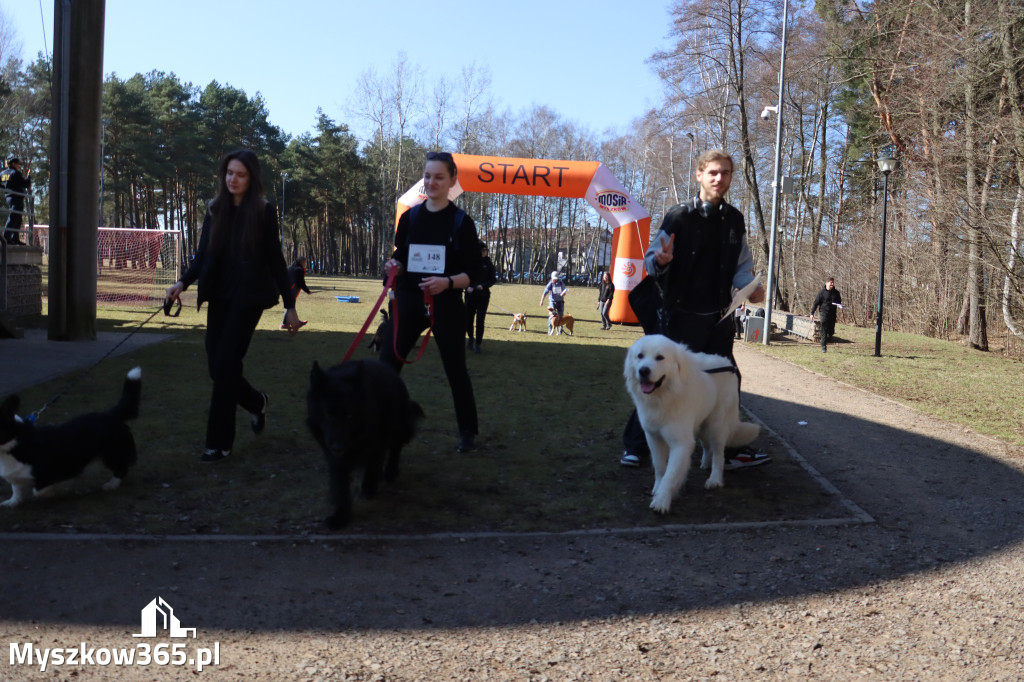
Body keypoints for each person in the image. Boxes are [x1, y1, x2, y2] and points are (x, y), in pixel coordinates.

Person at [620, 149, 771, 470]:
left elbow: (742, 266)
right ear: (699, 175)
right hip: (679, 319)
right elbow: (651, 257)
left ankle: (725, 452)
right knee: (660, 381)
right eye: (713, 172)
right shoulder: (678, 216)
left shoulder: (735, 219)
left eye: (726, 173)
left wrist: (751, 288)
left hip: (719, 319)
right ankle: (635, 446)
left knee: (727, 380)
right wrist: (660, 260)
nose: (720, 179)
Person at [165, 149, 303, 463]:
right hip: (220, 295)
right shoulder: (215, 209)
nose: (233, 179)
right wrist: (182, 283)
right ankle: (257, 403)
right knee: (218, 368)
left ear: (251, 178)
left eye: (240, 174)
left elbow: (275, 260)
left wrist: (290, 304)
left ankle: (218, 444)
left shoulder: (264, 211)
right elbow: (201, 256)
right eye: (229, 173)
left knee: (226, 363)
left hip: (249, 298)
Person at [379, 151, 482, 453]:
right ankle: (381, 426)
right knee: (386, 366)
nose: (432, 182)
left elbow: (472, 274)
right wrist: (392, 266)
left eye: (439, 177)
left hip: (447, 305)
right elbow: (400, 257)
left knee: (455, 370)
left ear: (452, 180)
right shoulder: (410, 217)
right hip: (409, 302)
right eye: (428, 176)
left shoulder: (462, 222)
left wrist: (447, 283)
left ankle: (467, 432)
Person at [465, 240, 497, 354]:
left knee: (480, 320)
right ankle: (470, 339)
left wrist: (483, 286)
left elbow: (493, 279)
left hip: (483, 296)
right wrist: (467, 286)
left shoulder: (488, 264)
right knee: (468, 319)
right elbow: (464, 277)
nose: (484, 252)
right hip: (470, 295)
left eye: (485, 250)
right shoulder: (470, 263)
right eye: (482, 250)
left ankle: (478, 343)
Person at [2, 157, 31, 246]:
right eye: (18, 164)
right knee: (14, 216)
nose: (19, 166)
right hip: (16, 198)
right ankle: (6, 237)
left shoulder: (2, 174)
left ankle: (15, 238)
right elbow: (26, 184)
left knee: (18, 218)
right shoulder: (15, 173)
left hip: (9, 197)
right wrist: (28, 176)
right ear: (13, 164)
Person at [809, 277, 843, 353]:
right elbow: (815, 303)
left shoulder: (836, 293)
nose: (832, 284)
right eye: (831, 282)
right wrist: (812, 313)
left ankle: (828, 335)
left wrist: (840, 305)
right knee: (824, 326)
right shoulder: (821, 293)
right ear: (826, 283)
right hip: (824, 312)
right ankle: (823, 346)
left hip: (832, 313)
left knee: (831, 331)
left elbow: (839, 302)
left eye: (833, 283)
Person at [281, 256, 311, 329]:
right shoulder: (298, 270)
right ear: (302, 262)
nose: (305, 264)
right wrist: (307, 291)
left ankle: (285, 323)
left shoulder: (290, 268)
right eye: (305, 262)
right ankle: (292, 323)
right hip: (291, 290)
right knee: (290, 306)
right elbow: (300, 282)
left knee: (290, 306)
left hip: (285, 289)